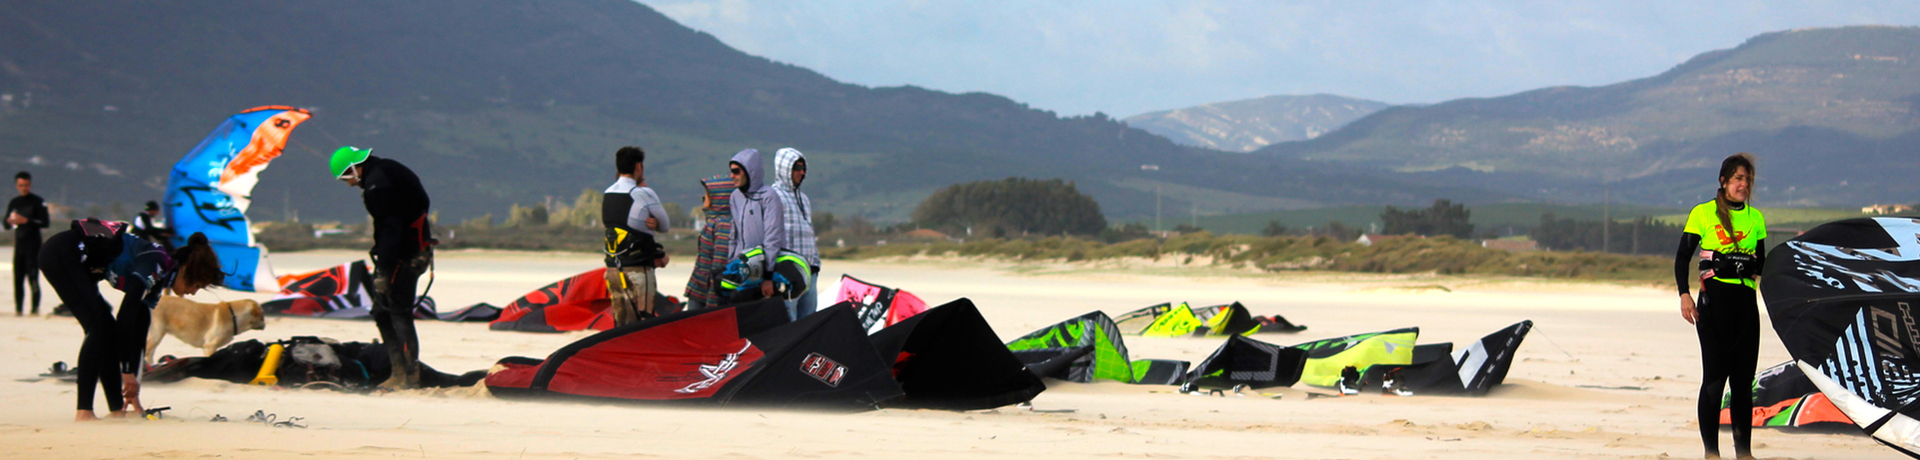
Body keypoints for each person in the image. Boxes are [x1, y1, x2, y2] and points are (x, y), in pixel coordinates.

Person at [40, 221, 223, 421]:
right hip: (62, 252)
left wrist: (133, 387)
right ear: (187, 269)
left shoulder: (160, 279)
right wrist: (127, 373)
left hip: (77, 262)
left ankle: (117, 409)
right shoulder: (157, 262)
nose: (192, 293)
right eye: (196, 285)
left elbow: (139, 329)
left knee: (106, 329)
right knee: (100, 327)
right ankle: (84, 412)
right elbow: (126, 313)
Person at [1676, 153, 1764, 460]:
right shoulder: (1703, 213)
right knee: (1714, 380)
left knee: (1743, 384)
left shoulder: (1756, 218)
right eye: (1738, 179)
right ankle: (1711, 453)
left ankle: (1744, 453)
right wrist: (1684, 295)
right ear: (1724, 181)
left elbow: (1761, 262)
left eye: (1748, 180)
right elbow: (1682, 257)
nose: (1744, 185)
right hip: (1714, 306)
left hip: (1746, 308)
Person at [330, 146, 433, 389]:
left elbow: (390, 230)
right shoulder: (387, 169)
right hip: (413, 250)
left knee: (396, 312)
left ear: (355, 168)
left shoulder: (379, 185)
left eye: (347, 177)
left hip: (404, 256)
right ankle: (402, 372)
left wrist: (384, 271)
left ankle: (407, 376)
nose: (350, 184)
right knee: (384, 311)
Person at [601, 146, 669, 326]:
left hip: (613, 269)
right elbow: (665, 226)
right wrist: (655, 222)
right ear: (639, 167)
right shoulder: (643, 193)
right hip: (639, 269)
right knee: (641, 324)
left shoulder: (608, 193)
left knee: (620, 322)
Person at [725, 149, 785, 303]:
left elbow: (773, 237)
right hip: (742, 271)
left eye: (736, 171)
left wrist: (768, 276)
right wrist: (730, 267)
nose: (732, 176)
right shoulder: (735, 197)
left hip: (763, 274)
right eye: (731, 171)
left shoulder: (769, 196)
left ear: (749, 171)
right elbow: (734, 235)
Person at [770, 148, 819, 319]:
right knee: (788, 319)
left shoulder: (804, 199)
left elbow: (809, 231)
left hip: (809, 272)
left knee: (809, 321)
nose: (802, 172)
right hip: (787, 272)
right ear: (784, 168)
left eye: (804, 168)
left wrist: (816, 265)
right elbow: (769, 236)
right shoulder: (772, 196)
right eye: (797, 168)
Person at [683, 173, 734, 310]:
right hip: (699, 292)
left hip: (705, 297)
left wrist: (712, 305)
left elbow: (719, 267)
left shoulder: (724, 226)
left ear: (719, 199)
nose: (703, 199)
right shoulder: (713, 222)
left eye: (707, 195)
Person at [6, 171, 48, 316]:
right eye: (21, 185)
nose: (24, 188)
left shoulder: (38, 201)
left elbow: (45, 223)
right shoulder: (14, 202)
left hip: (34, 246)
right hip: (19, 246)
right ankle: (18, 309)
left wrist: (27, 221)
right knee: (18, 278)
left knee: (33, 278)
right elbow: (6, 224)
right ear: (17, 186)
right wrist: (10, 221)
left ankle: (34, 309)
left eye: (26, 185)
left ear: (30, 184)